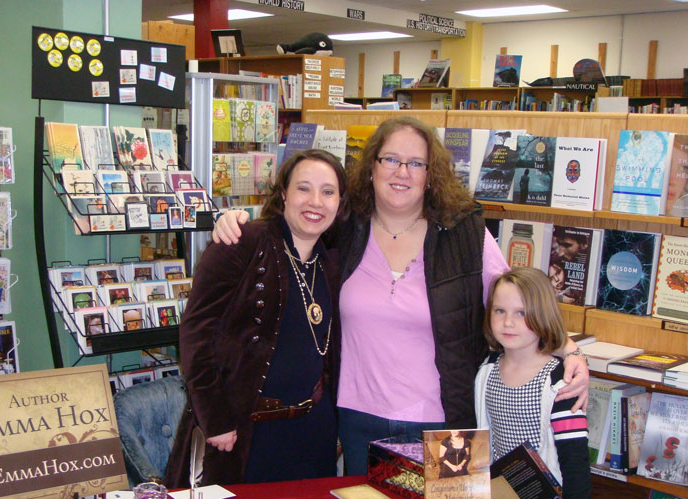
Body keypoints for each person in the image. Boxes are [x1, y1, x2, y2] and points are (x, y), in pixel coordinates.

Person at [213, 116, 590, 476]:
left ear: (431, 175)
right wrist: (237, 223)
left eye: (416, 163)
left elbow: (518, 302)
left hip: (446, 421)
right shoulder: (344, 229)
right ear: (372, 167)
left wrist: (569, 351)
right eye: (391, 159)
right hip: (357, 418)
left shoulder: (464, 235)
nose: (402, 172)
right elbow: (291, 229)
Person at [165, 149, 347, 486]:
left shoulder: (332, 261)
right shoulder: (242, 243)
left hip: (313, 435)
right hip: (241, 436)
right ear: (283, 194)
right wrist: (214, 418)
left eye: (328, 192)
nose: (316, 202)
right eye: (303, 188)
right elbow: (195, 334)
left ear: (340, 202)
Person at [475, 267, 602, 499]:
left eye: (521, 313)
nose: (508, 322)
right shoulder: (487, 371)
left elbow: (575, 461)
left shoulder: (560, 381)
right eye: (500, 311)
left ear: (542, 314)